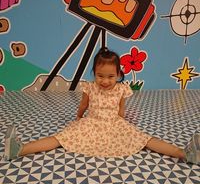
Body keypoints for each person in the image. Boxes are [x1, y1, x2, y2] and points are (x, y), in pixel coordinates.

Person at [3, 48, 200, 165]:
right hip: (93, 124)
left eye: (111, 76)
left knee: (146, 139)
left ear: (119, 75)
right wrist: (79, 121)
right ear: (94, 73)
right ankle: (19, 150)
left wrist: (120, 124)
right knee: (58, 139)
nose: (105, 81)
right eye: (100, 76)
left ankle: (184, 154)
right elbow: (83, 106)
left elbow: (120, 111)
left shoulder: (122, 89)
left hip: (112, 125)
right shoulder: (90, 87)